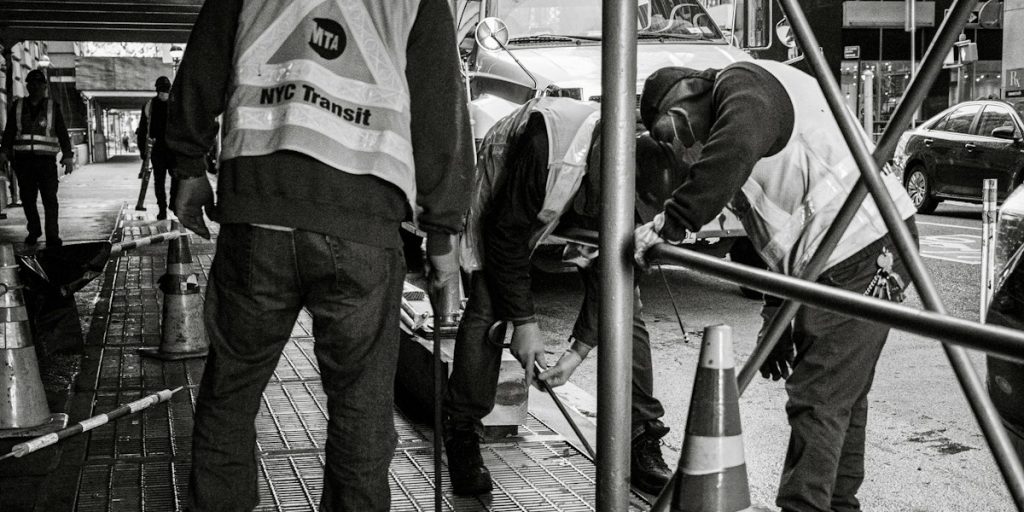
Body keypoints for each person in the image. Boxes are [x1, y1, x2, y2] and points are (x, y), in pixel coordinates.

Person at [164, 0, 472, 510]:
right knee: (361, 410)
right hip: (363, 219)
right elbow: (441, 108)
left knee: (230, 396)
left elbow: (203, 59)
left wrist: (188, 165)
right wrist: (442, 233)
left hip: (258, 209)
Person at [632, 61, 919, 512]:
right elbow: (784, 230)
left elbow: (735, 149)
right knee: (841, 395)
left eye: (676, 131)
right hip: (840, 254)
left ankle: (805, 507)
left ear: (689, 91)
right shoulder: (742, 110)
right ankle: (838, 505)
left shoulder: (742, 86)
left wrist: (671, 222)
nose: (686, 146)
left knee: (820, 396)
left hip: (863, 245)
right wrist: (774, 313)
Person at [446, 97, 675, 496]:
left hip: (579, 184)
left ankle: (639, 436)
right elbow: (505, 238)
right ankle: (462, 432)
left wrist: (575, 355)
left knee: (625, 305)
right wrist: (525, 323)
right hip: (517, 184)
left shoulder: (646, 175)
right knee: (489, 304)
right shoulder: (544, 144)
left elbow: (615, 278)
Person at [0, 69, 74, 247]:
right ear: (27, 86)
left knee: (50, 199)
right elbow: (9, 132)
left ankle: (52, 236)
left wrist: (68, 155)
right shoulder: (18, 107)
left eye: (38, 84)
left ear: (44, 87)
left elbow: (62, 133)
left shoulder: (52, 107)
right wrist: (3, 152)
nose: (35, 87)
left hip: (46, 162)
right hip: (23, 162)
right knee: (27, 199)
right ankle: (34, 230)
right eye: (31, 84)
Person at [136, 76, 175, 220]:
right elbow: (142, 130)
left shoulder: (152, 105)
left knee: (165, 180)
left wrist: (143, 151)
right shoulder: (152, 105)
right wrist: (143, 151)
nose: (164, 93)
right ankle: (165, 208)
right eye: (163, 90)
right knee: (164, 180)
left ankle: (167, 206)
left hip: (166, 150)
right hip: (163, 150)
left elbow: (142, 131)